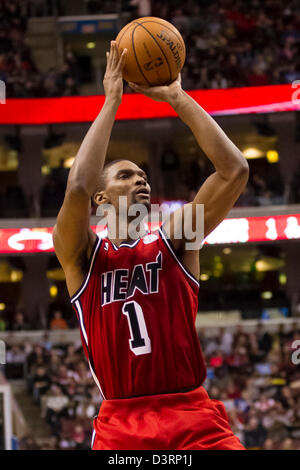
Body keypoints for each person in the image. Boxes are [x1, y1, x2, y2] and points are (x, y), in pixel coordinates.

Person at [53, 41, 249, 450]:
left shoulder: (176, 239)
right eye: (126, 176)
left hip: (192, 414)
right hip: (121, 424)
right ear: (101, 199)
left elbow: (234, 171)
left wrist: (177, 96)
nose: (141, 180)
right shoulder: (83, 256)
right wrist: (111, 102)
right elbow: (77, 187)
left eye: (143, 176)